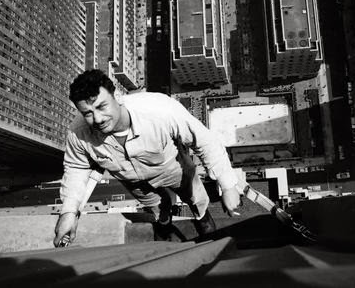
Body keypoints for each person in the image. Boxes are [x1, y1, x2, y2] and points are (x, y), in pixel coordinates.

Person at [53, 70, 241, 246]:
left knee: (195, 197)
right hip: (135, 183)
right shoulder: (78, 133)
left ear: (117, 96)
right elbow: (76, 167)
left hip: (175, 170)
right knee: (157, 208)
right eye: (88, 113)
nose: (98, 118)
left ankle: (203, 218)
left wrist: (227, 186)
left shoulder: (159, 110)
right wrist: (69, 212)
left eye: (102, 106)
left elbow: (204, 141)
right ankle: (164, 222)